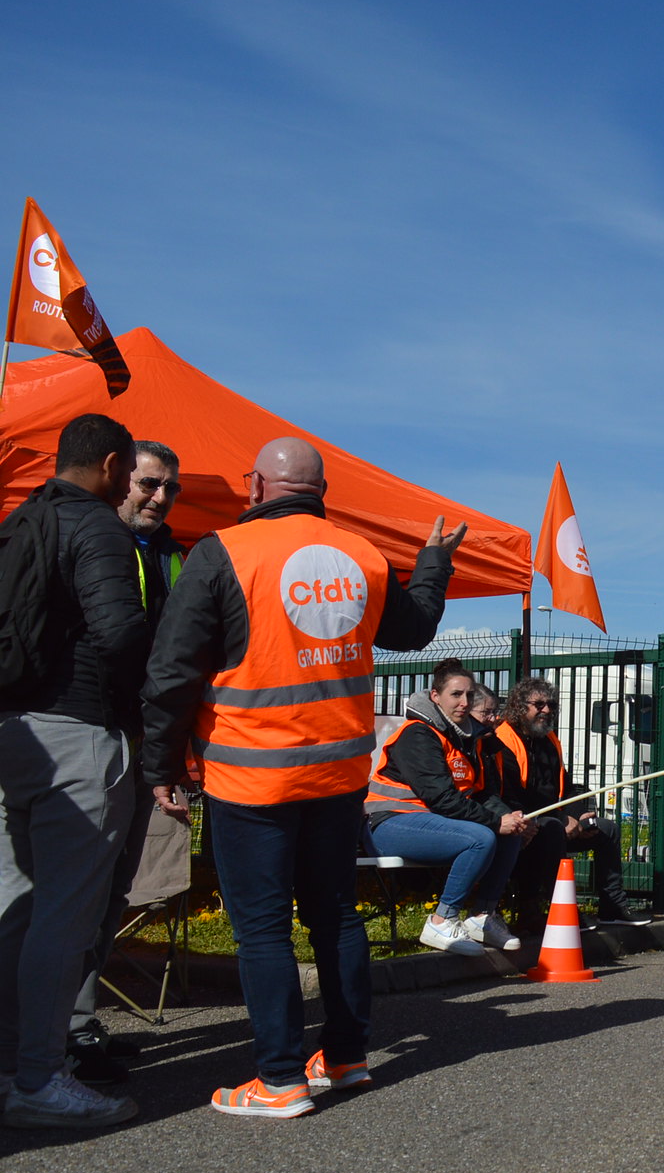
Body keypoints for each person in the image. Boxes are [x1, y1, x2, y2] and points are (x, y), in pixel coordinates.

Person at [141, 437, 461, 1118]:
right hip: (338, 778)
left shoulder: (221, 553)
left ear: (254, 486)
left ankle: (281, 1078)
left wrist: (159, 763)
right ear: (322, 492)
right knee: (334, 916)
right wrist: (433, 563)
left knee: (261, 929)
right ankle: (345, 1058)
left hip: (250, 779)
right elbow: (415, 631)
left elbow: (172, 673)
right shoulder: (363, 557)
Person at [0, 415, 148, 1129]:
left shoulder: (23, 517)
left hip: (14, 733)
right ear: (114, 465)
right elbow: (119, 630)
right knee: (65, 918)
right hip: (80, 733)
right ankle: (40, 1078)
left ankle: (11, 1067)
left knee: (16, 910)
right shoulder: (98, 528)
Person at [66, 439, 194, 1085]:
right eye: (149, 484)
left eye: (170, 488)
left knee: (114, 888)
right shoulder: (93, 542)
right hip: (95, 737)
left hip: (146, 745)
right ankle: (55, 1034)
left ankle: (80, 1023)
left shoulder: (174, 556)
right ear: (120, 479)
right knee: (79, 889)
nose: (159, 498)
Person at [363, 659, 529, 955]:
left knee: (510, 832)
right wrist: (493, 822)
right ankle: (442, 919)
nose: (464, 702)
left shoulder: (468, 738)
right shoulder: (417, 734)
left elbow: (477, 793)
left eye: (469, 695)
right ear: (435, 697)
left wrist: (506, 816)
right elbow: (442, 798)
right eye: (456, 695)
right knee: (481, 838)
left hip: (431, 821)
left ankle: (482, 917)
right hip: (389, 823)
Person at [494, 676, 648, 933]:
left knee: (606, 829)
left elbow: (568, 786)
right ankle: (558, 911)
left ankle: (613, 908)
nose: (546, 710)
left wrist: (578, 814)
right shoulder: (503, 740)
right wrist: (562, 818)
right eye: (539, 704)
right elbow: (511, 797)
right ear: (520, 706)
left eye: (552, 705)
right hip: (525, 820)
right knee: (553, 829)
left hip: (556, 818)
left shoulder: (549, 740)